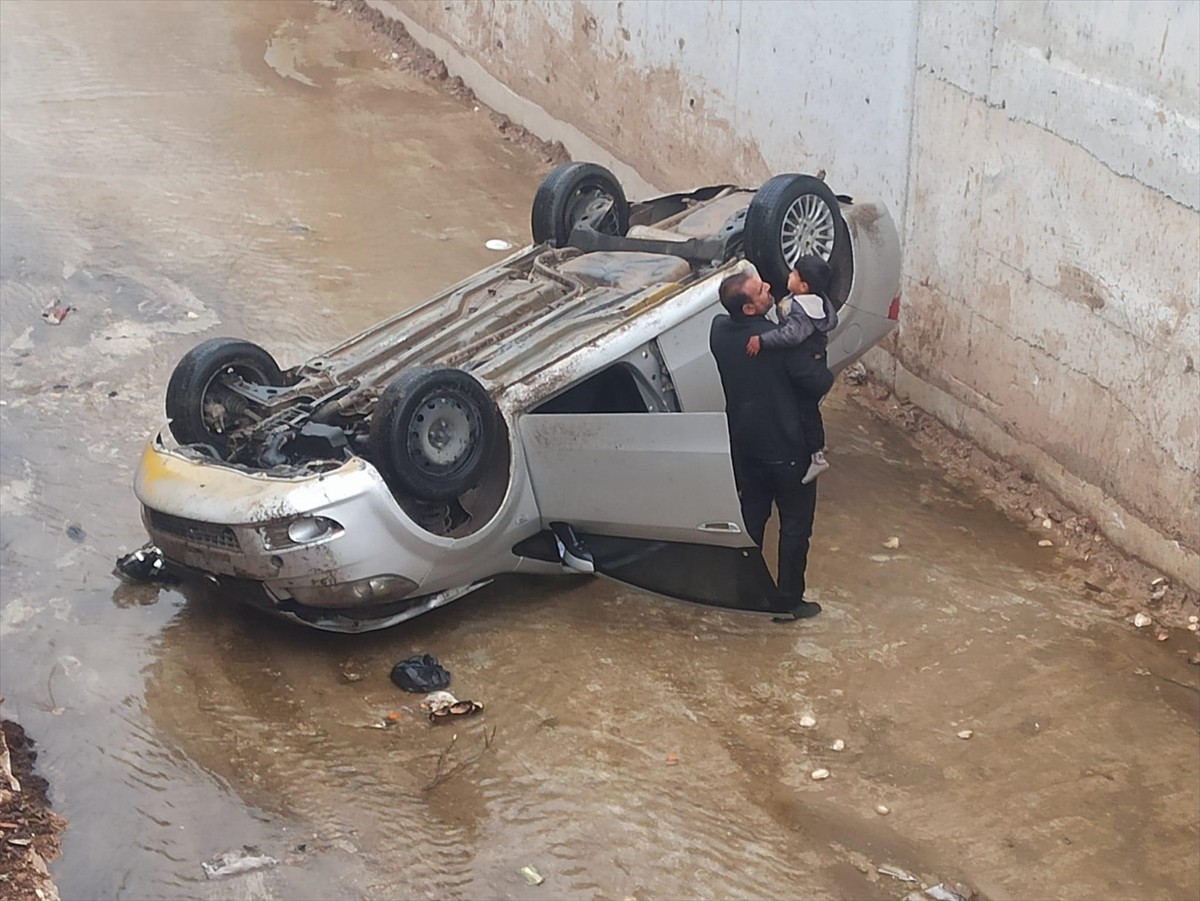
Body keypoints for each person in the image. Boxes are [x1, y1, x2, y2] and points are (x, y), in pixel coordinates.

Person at [709, 267, 834, 620]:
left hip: (745, 447)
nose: (769, 288)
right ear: (749, 309)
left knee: (752, 517)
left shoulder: (718, 331)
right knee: (795, 526)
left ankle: (743, 590)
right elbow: (817, 382)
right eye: (761, 291)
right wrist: (815, 353)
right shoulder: (781, 344)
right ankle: (788, 601)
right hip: (788, 450)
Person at [745, 255, 838, 484]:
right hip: (811, 361)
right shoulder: (810, 299)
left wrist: (762, 340)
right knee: (805, 408)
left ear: (804, 286)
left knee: (805, 409)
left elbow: (792, 335)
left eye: (794, 274)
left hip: (805, 364)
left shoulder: (803, 309)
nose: (789, 275)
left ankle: (816, 456)